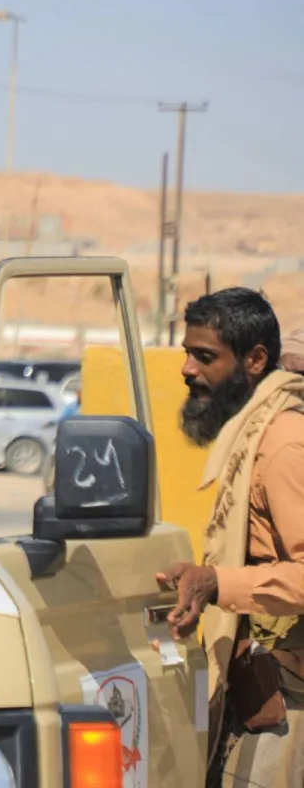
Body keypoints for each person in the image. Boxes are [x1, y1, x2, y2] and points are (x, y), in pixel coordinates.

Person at [153, 288, 304, 787]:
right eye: (186, 354)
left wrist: (217, 584)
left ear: (255, 359)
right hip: (255, 695)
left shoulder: (282, 444)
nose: (188, 370)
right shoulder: (250, 434)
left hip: (287, 708)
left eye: (205, 356)